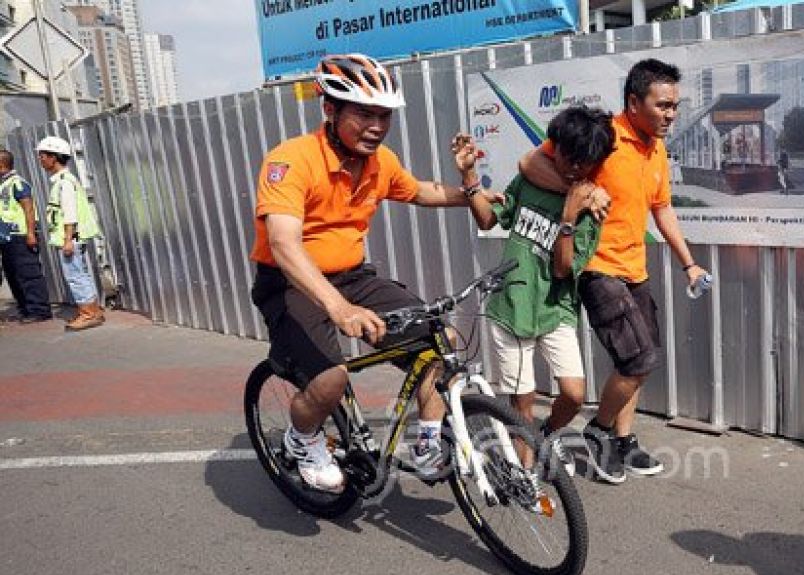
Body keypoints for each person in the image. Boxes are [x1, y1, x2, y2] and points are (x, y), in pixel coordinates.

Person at [249, 53, 488, 493]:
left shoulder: (381, 163)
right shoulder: (292, 160)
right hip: (290, 282)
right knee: (330, 379)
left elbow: (422, 191)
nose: (376, 126)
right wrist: (339, 309)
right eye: (363, 114)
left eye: (384, 115)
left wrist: (475, 192)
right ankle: (301, 438)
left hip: (353, 275)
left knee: (440, 343)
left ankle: (429, 441)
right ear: (330, 110)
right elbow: (284, 243)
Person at [519, 58, 710, 484]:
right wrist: (580, 190)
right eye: (662, 105)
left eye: (674, 106)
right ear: (633, 102)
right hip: (598, 267)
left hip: (634, 267)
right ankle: (599, 431)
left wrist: (689, 264)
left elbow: (662, 210)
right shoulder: (604, 136)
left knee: (642, 359)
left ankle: (622, 440)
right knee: (637, 357)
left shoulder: (656, 148)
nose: (671, 114)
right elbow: (530, 164)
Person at [454, 105, 614, 477]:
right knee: (521, 400)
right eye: (567, 157)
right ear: (552, 148)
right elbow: (488, 217)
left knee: (574, 393)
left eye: (584, 163)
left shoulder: (592, 211)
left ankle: (548, 435)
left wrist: (570, 217)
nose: (574, 169)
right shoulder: (532, 181)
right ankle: (524, 473)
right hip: (511, 304)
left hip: (555, 308)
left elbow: (562, 268)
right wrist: (469, 176)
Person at [37, 136, 105, 331]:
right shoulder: (64, 180)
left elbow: (70, 214)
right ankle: (93, 310)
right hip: (73, 237)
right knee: (80, 274)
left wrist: (67, 240)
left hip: (71, 238)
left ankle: (88, 314)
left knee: (75, 276)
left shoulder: (65, 182)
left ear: (54, 157)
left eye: (43, 156)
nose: (41, 160)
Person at [0, 149, 52, 323]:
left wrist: (31, 233)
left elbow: (28, 208)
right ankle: (25, 308)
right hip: (6, 238)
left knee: (28, 273)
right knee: (13, 274)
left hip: (20, 236)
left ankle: (39, 310)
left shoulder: (18, 183)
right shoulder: (3, 184)